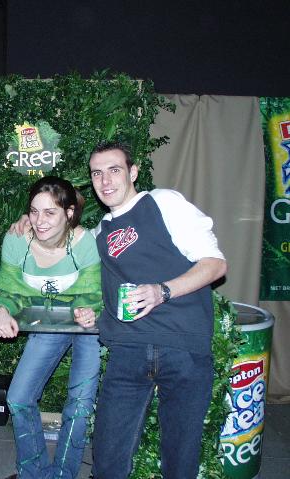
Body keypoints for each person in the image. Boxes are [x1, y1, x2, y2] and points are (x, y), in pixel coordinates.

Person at [88, 142, 227, 479]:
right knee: (107, 458)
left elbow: (215, 264)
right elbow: (58, 244)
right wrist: (28, 223)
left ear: (133, 172)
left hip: (183, 348)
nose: (105, 180)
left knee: (180, 459)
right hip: (128, 351)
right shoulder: (99, 232)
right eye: (96, 173)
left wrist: (162, 291)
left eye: (114, 170)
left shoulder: (162, 202)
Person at [0, 176, 103, 479]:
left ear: (69, 213)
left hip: (86, 327)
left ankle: (62, 475)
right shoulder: (16, 240)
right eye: (34, 211)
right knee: (19, 397)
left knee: (80, 406)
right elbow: (9, 290)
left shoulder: (85, 242)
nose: (39, 221)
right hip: (47, 324)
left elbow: (94, 292)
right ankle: (32, 472)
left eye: (50, 212)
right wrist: (1, 310)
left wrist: (88, 307)